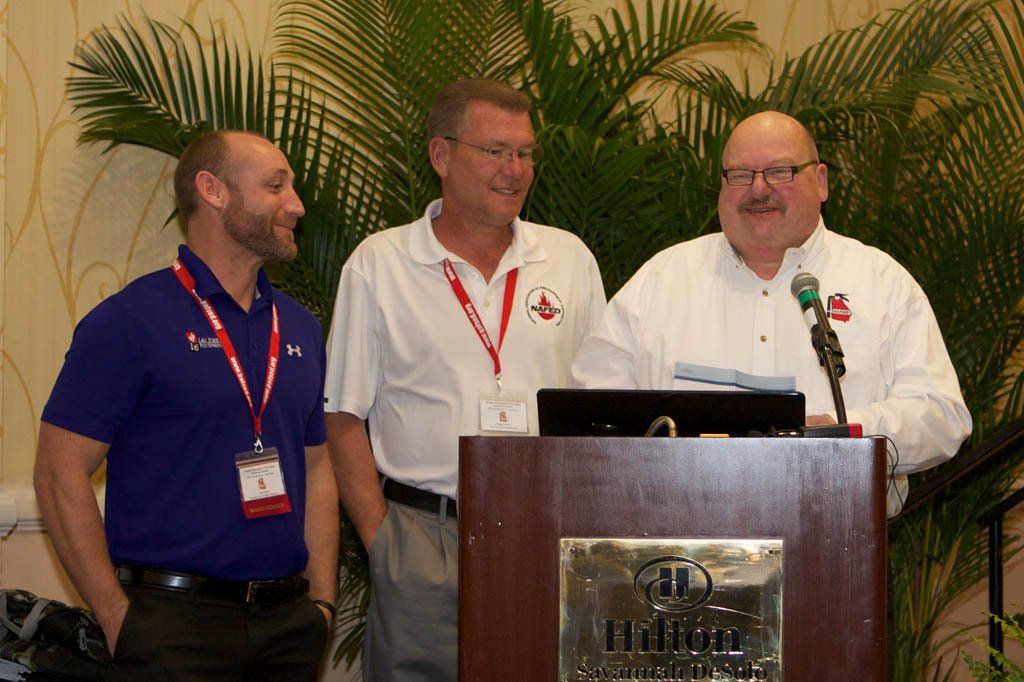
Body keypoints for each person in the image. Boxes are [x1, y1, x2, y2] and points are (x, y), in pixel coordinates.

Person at [323, 78, 606, 680]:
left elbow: (598, 406)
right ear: (441, 155)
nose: (515, 169)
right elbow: (343, 414)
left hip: (545, 532)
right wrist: (383, 542)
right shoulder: (380, 264)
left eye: (526, 153)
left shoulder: (569, 259)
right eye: (495, 151)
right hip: (425, 535)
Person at [33, 130, 338, 681]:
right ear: (212, 190)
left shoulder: (299, 326)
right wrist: (117, 617)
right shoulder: (130, 320)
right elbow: (59, 470)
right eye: (276, 186)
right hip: (171, 629)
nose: (296, 205)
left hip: (287, 628)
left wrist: (321, 605)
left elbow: (317, 468)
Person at [571, 111, 972, 516]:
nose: (758, 189)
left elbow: (942, 416)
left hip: (836, 545)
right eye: (741, 175)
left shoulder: (882, 283)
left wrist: (837, 431)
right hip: (679, 544)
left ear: (822, 181)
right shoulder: (662, 279)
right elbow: (588, 411)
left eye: (780, 171)